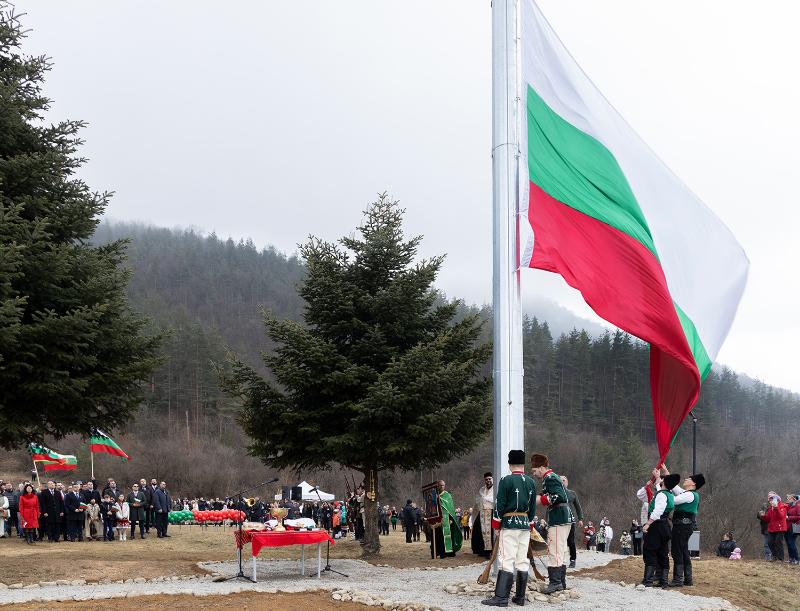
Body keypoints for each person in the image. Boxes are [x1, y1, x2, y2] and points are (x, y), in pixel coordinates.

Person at [481, 450, 537, 607]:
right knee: (522, 560)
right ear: (523, 464)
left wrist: (496, 525)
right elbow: (532, 508)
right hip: (525, 525)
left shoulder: (506, 480)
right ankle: (520, 598)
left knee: (506, 559)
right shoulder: (531, 482)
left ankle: (501, 598)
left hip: (510, 524)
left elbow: (499, 505)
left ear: (510, 464)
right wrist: (530, 525)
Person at [531, 453, 575, 594]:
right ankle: (561, 582)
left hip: (558, 518)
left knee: (554, 550)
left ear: (542, 467)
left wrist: (540, 500)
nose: (534, 473)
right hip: (563, 517)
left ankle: (555, 583)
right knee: (560, 550)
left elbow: (560, 496)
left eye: (534, 470)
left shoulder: (549, 477)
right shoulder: (551, 477)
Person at [638, 467, 679, 588]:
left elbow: (657, 512)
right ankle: (663, 581)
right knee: (663, 552)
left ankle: (648, 580)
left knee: (650, 551)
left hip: (657, 526)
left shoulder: (662, 495)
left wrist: (648, 523)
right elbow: (659, 488)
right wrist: (657, 477)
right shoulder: (669, 494)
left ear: (664, 483)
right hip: (665, 526)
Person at [669, 473, 705, 587]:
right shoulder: (689, 494)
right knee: (684, 552)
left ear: (693, 483)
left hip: (681, 527)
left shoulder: (689, 495)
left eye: (689, 479)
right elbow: (675, 488)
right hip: (684, 527)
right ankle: (687, 579)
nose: (685, 479)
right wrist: (666, 473)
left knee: (677, 551)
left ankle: (678, 579)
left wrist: (661, 490)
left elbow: (672, 500)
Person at [428, 480, 462, 559]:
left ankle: (446, 553)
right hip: (436, 519)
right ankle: (436, 552)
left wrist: (451, 519)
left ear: (444, 486)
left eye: (443, 485)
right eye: (440, 485)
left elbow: (450, 508)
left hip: (446, 519)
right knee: (436, 537)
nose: (441, 487)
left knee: (445, 537)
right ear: (437, 486)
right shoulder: (433, 495)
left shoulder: (448, 495)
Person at [471, 472, 495, 558]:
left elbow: (495, 500)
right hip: (482, 512)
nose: (488, 481)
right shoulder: (481, 490)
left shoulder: (496, 489)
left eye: (489, 479)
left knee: (491, 532)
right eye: (486, 479)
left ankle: (491, 551)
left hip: (491, 512)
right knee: (478, 530)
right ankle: (482, 550)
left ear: (492, 479)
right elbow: (478, 501)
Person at [561, 476, 583, 568]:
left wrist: (580, 519)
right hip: (559, 521)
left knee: (570, 541)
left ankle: (573, 560)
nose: (562, 482)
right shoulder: (556, 493)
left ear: (567, 482)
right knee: (560, 541)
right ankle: (560, 561)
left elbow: (578, 507)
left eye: (563, 480)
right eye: (560, 480)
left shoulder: (572, 493)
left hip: (570, 520)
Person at [759, 493, 788, 562]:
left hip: (780, 528)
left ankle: (780, 558)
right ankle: (774, 556)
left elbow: (781, 516)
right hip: (772, 528)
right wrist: (763, 516)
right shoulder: (770, 509)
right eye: (770, 501)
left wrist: (776, 508)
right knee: (770, 542)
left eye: (771, 500)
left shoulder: (782, 507)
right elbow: (768, 519)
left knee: (778, 542)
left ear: (776, 500)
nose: (770, 502)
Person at [784, 493, 800, 565]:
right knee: (788, 543)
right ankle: (791, 558)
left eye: (789, 498)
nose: (787, 499)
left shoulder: (798, 506)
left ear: (794, 499)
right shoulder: (789, 506)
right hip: (787, 527)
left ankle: (797, 559)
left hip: (794, 527)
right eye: (787, 498)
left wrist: (789, 517)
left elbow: (799, 517)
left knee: (791, 543)